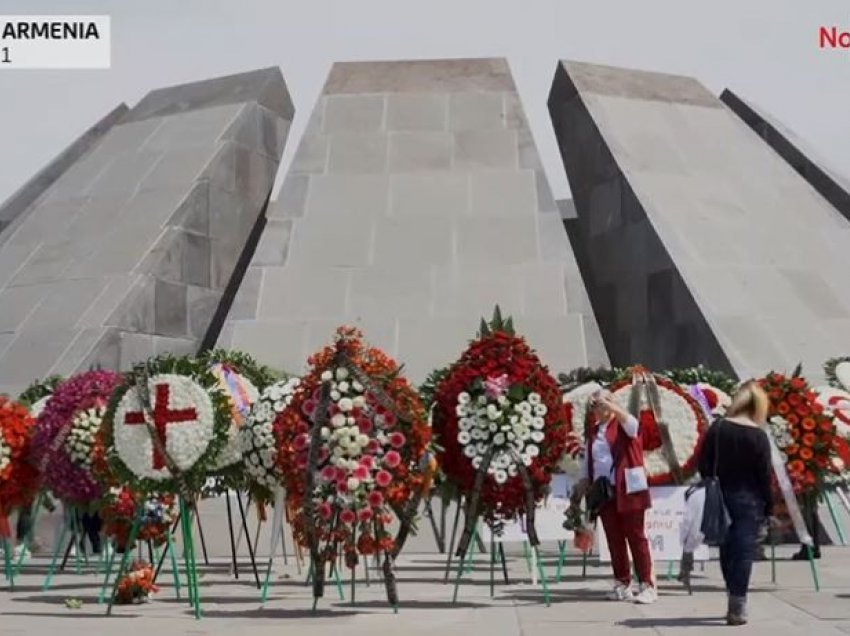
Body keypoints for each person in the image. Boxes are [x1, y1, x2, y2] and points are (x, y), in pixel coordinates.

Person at [698, 380, 772, 627]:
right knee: (743, 552)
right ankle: (737, 602)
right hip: (749, 499)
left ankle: (733, 593)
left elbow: (703, 463)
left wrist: (711, 481)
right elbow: (764, 475)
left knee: (727, 549)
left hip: (720, 495)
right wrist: (768, 506)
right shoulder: (758, 436)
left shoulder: (718, 428)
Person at [571, 389, 656, 604]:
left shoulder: (624, 424)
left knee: (636, 537)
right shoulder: (593, 431)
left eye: (603, 404)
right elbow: (589, 460)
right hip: (605, 492)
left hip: (629, 489)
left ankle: (647, 584)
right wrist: (581, 485)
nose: (599, 409)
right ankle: (622, 582)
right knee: (614, 539)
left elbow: (633, 426)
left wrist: (612, 406)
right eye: (596, 406)